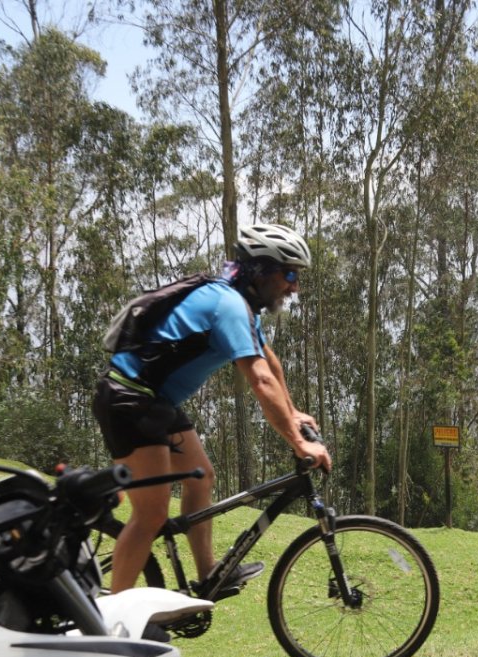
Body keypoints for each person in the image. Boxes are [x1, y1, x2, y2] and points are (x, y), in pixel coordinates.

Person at [92, 223, 332, 596]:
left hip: (156, 401)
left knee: (201, 477)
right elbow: (259, 379)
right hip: (130, 399)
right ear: (261, 270)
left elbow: (270, 364)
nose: (294, 287)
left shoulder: (243, 307)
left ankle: (209, 576)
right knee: (151, 514)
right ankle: (112, 618)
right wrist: (299, 443)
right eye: (289, 274)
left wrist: (294, 412)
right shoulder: (228, 305)